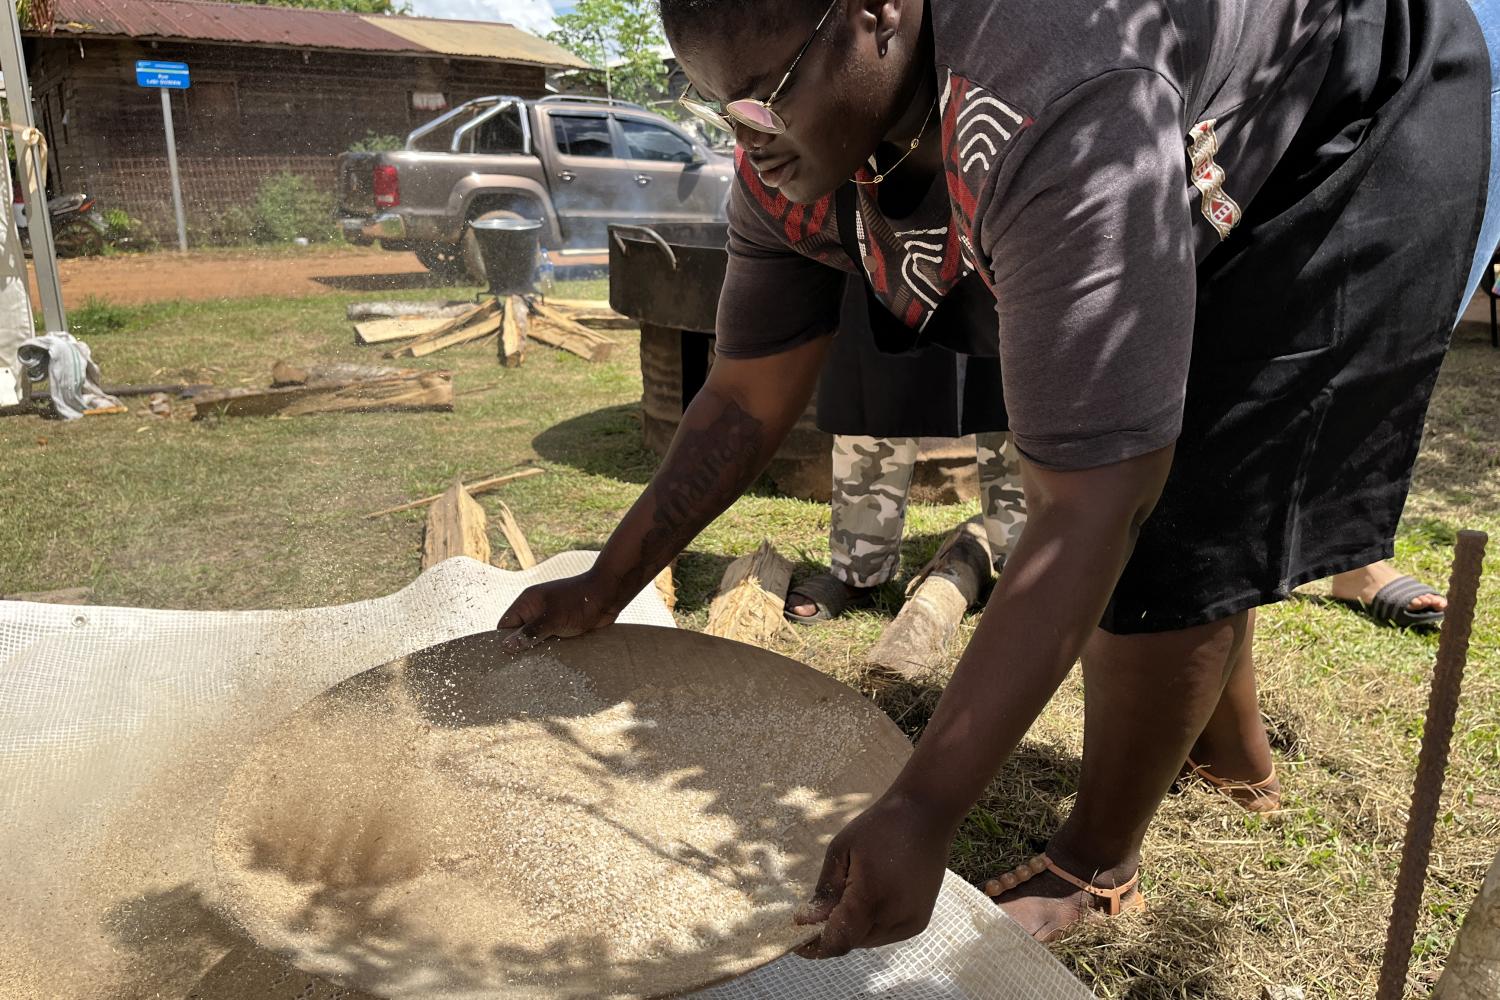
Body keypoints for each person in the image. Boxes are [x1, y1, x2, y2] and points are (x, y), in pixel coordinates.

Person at [500, 0, 1500, 949]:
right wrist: (607, 581)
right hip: (1158, 105)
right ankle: (1230, 756)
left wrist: (923, 807)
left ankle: (1095, 866)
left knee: (1183, 504)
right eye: (714, 100)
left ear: (877, 12)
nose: (746, 132)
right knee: (1159, 473)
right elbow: (744, 399)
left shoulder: (1058, 90)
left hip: (1344, 105)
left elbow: (1090, 506)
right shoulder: (784, 149)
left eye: (771, 89)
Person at [786, 274, 1025, 622]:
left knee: (1018, 372)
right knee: (874, 362)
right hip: (883, 227)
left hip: (1001, 231)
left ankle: (1029, 564)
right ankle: (859, 564)